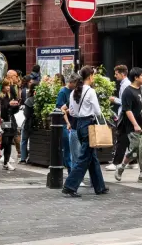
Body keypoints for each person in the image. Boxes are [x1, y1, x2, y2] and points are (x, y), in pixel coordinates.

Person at [62, 67, 109, 198]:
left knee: (91, 157)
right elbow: (97, 111)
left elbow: (71, 112)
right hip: (89, 124)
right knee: (84, 158)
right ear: (90, 76)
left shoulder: (73, 93)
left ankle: (100, 186)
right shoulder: (91, 91)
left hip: (79, 124)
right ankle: (70, 186)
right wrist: (103, 125)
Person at [114, 68, 142, 182]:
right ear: (136, 77)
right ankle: (121, 167)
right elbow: (127, 110)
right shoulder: (128, 91)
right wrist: (135, 124)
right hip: (132, 126)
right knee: (135, 148)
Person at [107, 64, 128, 170]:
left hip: (124, 115)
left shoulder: (125, 85)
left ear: (122, 74)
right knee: (128, 139)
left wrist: (114, 99)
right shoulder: (125, 83)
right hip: (126, 114)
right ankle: (133, 161)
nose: (115, 76)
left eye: (116, 74)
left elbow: (125, 102)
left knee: (121, 139)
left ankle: (116, 163)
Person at [55, 74, 76, 171]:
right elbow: (60, 109)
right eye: (75, 84)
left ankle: (72, 171)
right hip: (65, 124)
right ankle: (70, 171)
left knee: (72, 149)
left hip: (72, 123)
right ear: (70, 82)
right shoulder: (63, 92)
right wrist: (68, 122)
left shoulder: (73, 91)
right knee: (68, 149)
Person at [0, 82, 18, 170]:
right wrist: (8, 105)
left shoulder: (10, 96)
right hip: (3, 121)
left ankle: (6, 162)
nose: (8, 87)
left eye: (9, 86)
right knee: (5, 141)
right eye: (6, 86)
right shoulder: (1, 97)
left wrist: (16, 105)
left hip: (11, 121)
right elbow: (0, 109)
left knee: (9, 142)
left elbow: (13, 110)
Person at [18, 79, 34, 164]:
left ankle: (23, 158)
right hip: (35, 123)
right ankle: (31, 157)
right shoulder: (37, 100)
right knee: (32, 140)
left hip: (28, 123)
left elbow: (26, 114)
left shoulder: (28, 100)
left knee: (24, 140)